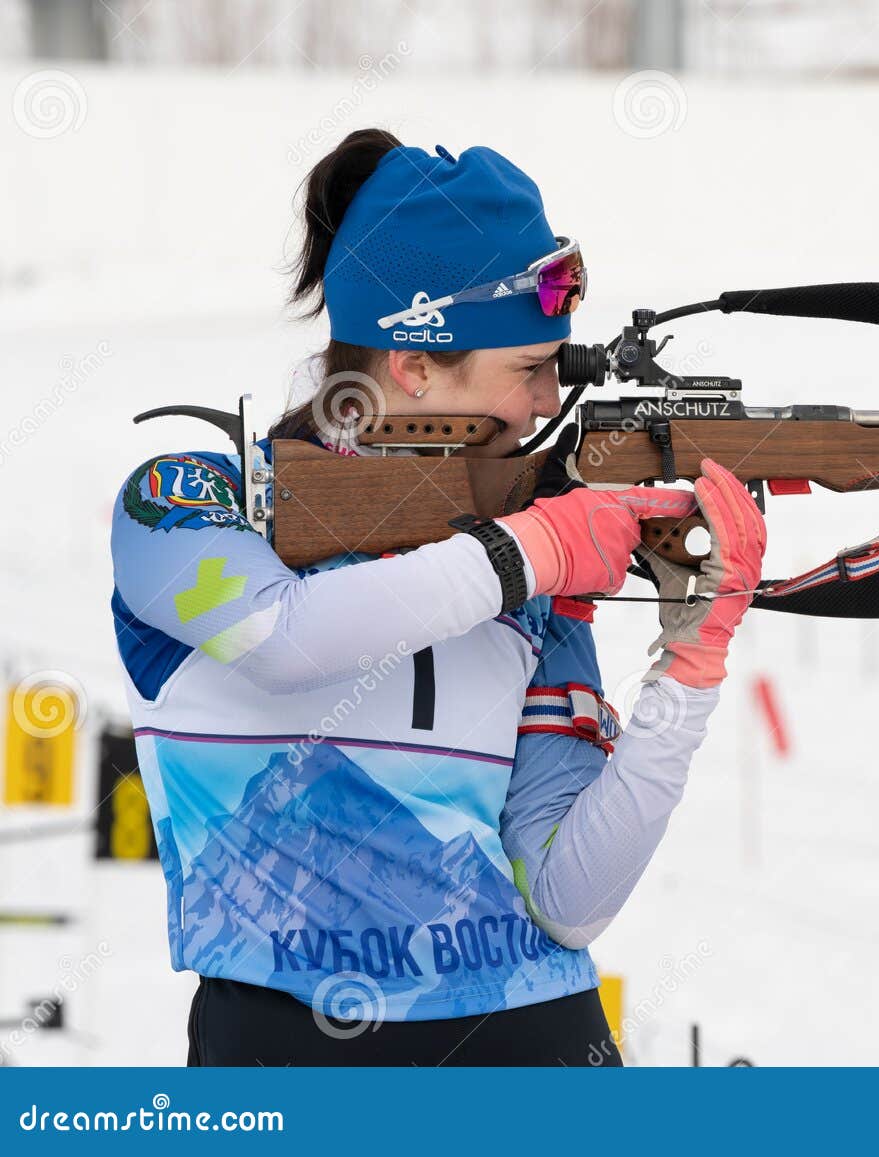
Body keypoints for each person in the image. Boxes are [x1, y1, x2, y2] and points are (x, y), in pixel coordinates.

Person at [108, 128, 765, 1066]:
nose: (549, 403)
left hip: (535, 1035)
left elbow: (569, 903)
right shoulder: (188, 500)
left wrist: (690, 668)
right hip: (285, 1046)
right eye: (529, 369)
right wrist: (531, 548)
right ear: (414, 366)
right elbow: (283, 639)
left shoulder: (534, 575)